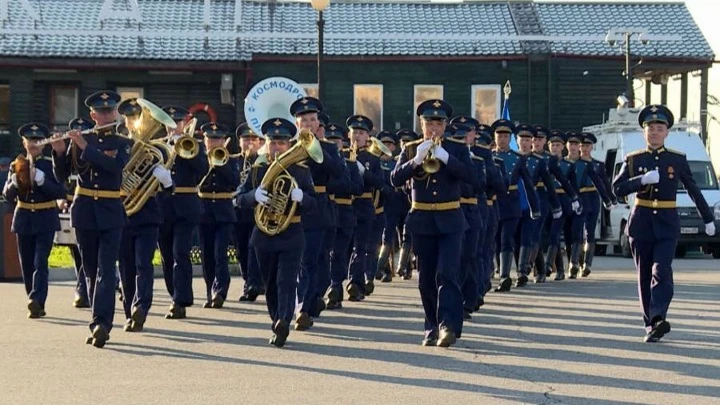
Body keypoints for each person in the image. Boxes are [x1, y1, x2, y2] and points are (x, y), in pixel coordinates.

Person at [613, 104, 715, 343]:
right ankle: (649, 324)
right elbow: (616, 189)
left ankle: (659, 318)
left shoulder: (677, 160)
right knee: (644, 274)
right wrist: (640, 180)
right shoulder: (633, 159)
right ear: (644, 132)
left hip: (667, 223)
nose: (655, 132)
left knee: (662, 270)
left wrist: (708, 217)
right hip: (641, 223)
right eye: (651, 128)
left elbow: (693, 190)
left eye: (660, 128)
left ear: (667, 132)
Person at [391, 99, 475, 347]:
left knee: (447, 274)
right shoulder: (410, 148)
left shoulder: (457, 149)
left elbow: (472, 178)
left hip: (451, 220)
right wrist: (415, 161)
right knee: (425, 278)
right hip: (422, 220)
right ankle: (430, 326)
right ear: (421, 124)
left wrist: (447, 158)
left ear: (445, 125)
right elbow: (395, 179)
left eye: (438, 123)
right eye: (429, 123)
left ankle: (447, 325)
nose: (433, 128)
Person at [51, 90, 129, 348]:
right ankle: (98, 320)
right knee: (91, 271)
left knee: (106, 271)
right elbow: (64, 176)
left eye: (111, 110)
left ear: (116, 113)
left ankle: (101, 324)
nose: (107, 114)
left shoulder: (123, 141)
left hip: (110, 210)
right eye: (102, 111)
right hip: (84, 211)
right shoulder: (81, 139)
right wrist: (60, 152)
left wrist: (86, 148)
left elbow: (116, 169)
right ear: (93, 115)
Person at [235, 117, 317, 347]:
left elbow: (315, 204)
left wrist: (302, 197)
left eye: (281, 143)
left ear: (290, 145)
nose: (277, 147)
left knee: (286, 281)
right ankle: (276, 320)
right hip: (263, 235)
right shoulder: (258, 168)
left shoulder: (301, 172)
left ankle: (284, 320)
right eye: (273, 142)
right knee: (270, 283)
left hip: (291, 232)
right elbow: (237, 199)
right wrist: (254, 197)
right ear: (266, 144)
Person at [116, 99, 174, 332]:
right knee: (126, 266)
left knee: (143, 264)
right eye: (129, 119)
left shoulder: (157, 150)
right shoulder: (119, 145)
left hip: (148, 213)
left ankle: (142, 307)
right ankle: (130, 308)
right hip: (122, 213)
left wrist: (166, 180)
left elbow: (170, 191)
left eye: (136, 118)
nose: (132, 123)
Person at [291, 97, 345, 330]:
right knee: (305, 261)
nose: (309, 124)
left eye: (312, 120)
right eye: (304, 120)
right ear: (297, 124)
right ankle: (302, 307)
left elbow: (339, 173)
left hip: (320, 208)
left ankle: (312, 299)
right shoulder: (290, 147)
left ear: (318, 123)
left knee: (319, 261)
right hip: (293, 209)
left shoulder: (329, 148)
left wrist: (317, 150)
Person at [3, 123, 65, 318]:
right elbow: (7, 196)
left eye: (37, 141)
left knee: (40, 262)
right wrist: (12, 184)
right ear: (24, 142)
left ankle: (37, 299)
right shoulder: (16, 164)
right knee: (27, 264)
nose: (33, 144)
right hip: (24, 218)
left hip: (45, 217)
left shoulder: (50, 164)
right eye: (30, 140)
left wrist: (42, 181)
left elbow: (60, 191)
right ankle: (33, 298)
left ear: (44, 143)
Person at [158, 106, 209, 319]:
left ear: (183, 124)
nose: (174, 127)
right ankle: (174, 295)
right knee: (166, 255)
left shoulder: (194, 145)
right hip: (162, 205)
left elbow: (203, 169)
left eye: (177, 123)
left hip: (187, 204)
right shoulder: (157, 146)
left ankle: (181, 300)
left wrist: (184, 150)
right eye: (170, 123)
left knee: (181, 252)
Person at [491, 119, 540, 292]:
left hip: (512, 203)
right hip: (494, 203)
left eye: (506, 136)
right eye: (500, 136)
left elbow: (527, 183)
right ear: (495, 137)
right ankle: (501, 273)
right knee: (496, 240)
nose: (502, 139)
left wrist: (535, 207)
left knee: (506, 239)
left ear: (510, 138)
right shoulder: (488, 156)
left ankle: (505, 276)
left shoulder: (517, 158)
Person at [198, 122, 240, 309]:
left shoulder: (231, 160)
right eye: (210, 139)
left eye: (217, 139)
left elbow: (234, 182)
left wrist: (219, 164)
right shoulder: (197, 159)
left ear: (224, 141)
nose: (213, 143)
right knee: (207, 254)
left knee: (219, 253)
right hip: (204, 210)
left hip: (224, 211)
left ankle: (220, 291)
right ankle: (209, 290)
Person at [346, 115, 385, 301]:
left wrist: (364, 171)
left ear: (367, 136)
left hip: (363, 205)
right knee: (342, 248)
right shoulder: (341, 155)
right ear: (348, 134)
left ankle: (355, 283)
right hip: (344, 206)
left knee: (360, 247)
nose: (357, 136)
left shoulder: (372, 158)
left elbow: (380, 183)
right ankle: (344, 283)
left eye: (361, 133)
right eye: (355, 132)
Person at [580, 132, 617, 277]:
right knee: (577, 231)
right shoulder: (574, 163)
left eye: (587, 145)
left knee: (589, 231)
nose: (584, 148)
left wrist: (611, 199)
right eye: (582, 145)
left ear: (592, 147)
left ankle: (587, 264)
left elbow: (605, 184)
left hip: (593, 198)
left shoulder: (598, 165)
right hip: (579, 197)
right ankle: (576, 261)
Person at [233, 123, 262, 302]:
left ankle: (253, 284)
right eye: (246, 139)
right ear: (239, 142)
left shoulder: (262, 161)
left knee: (254, 247)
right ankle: (248, 280)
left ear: (260, 143)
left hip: (256, 211)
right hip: (237, 212)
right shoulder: (232, 160)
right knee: (241, 249)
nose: (250, 143)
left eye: (253, 139)